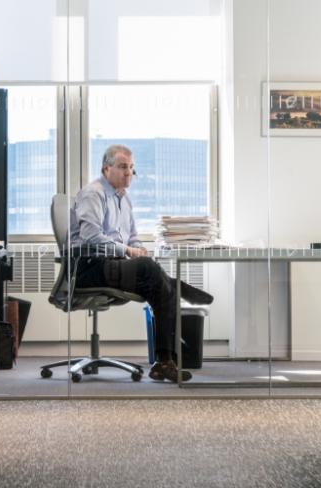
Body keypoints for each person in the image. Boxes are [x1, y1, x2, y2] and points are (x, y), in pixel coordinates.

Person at [68, 144, 213, 382]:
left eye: (131, 168)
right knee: (148, 268)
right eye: (123, 167)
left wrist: (137, 248)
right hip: (89, 266)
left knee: (161, 288)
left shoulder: (124, 199)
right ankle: (178, 286)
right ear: (106, 168)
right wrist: (129, 251)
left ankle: (164, 362)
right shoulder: (94, 193)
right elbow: (90, 237)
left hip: (113, 264)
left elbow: (132, 236)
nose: (128, 173)